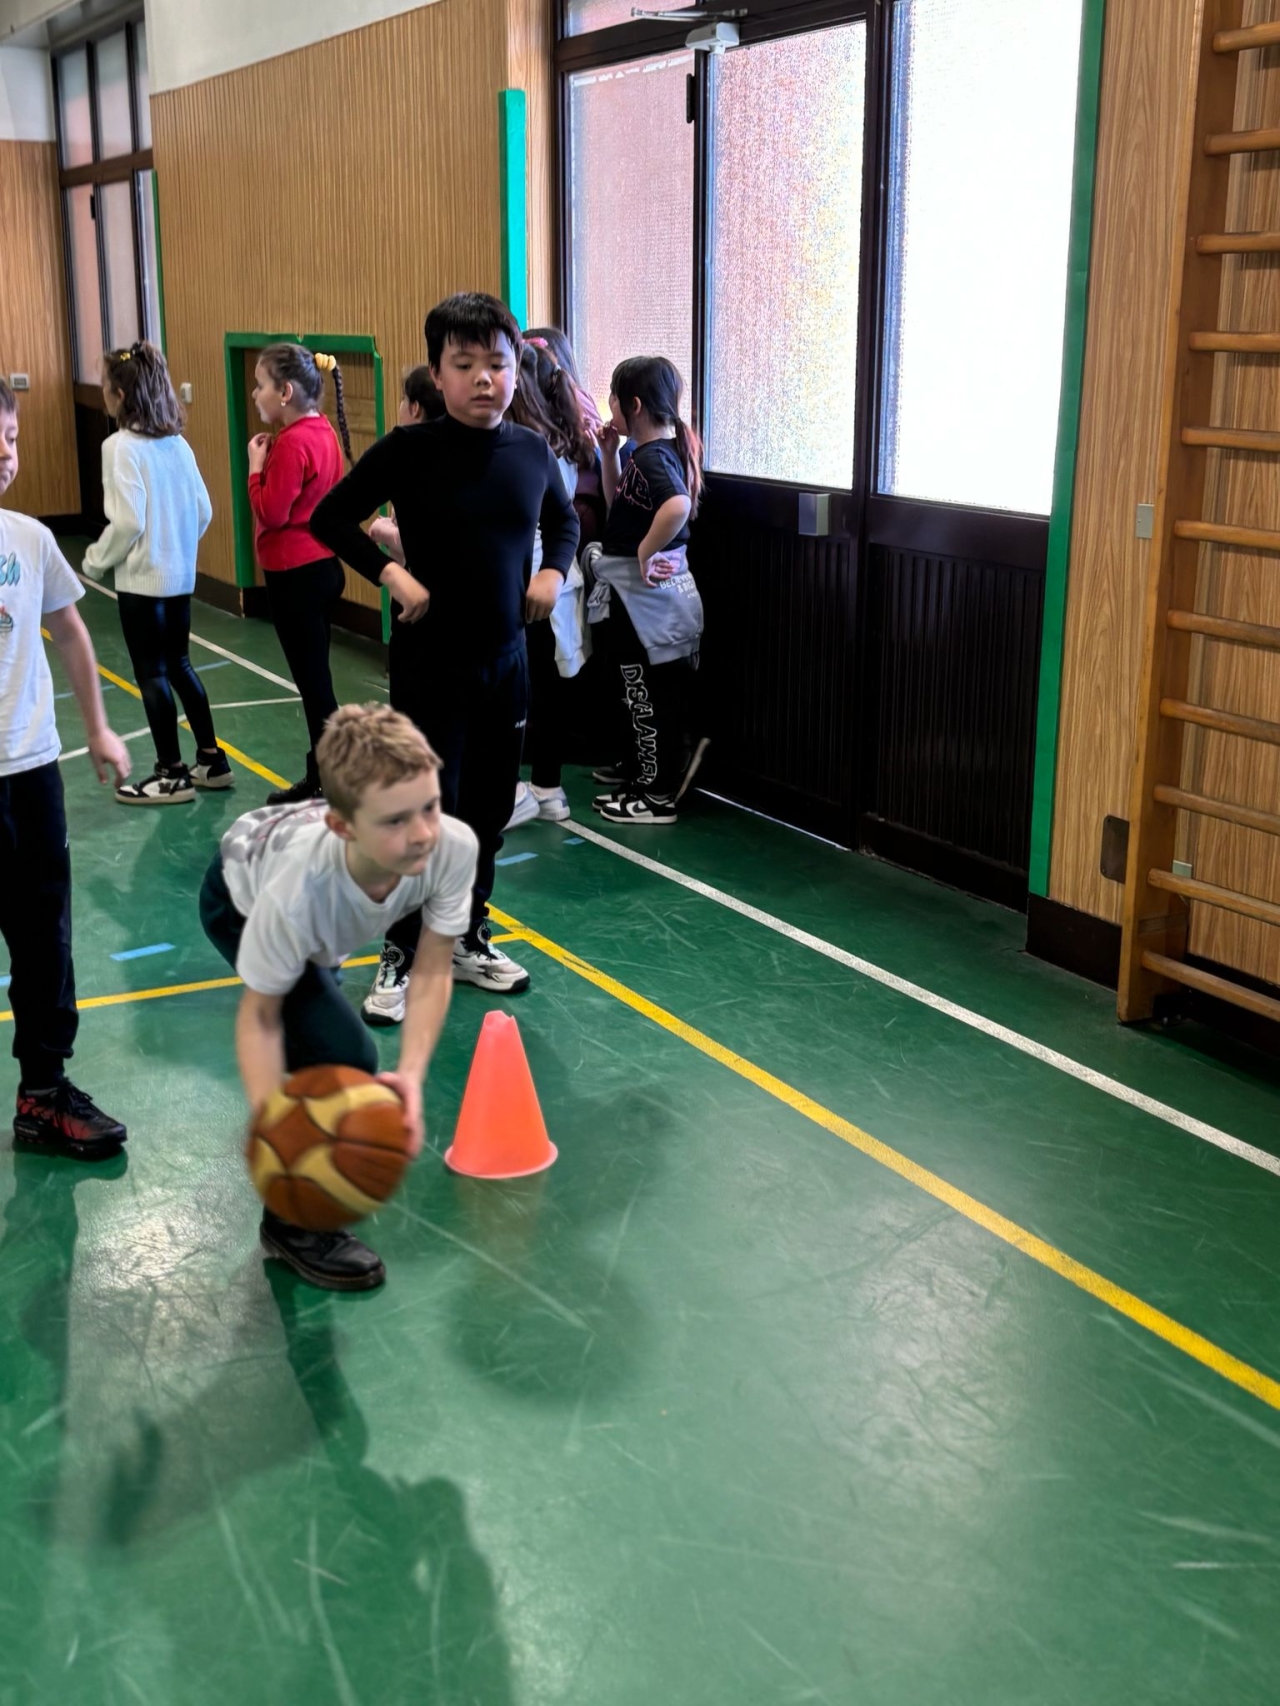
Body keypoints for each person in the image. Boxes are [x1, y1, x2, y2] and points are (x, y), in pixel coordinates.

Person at [311, 293, 579, 1024]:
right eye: (464, 364)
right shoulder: (409, 450)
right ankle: (401, 948)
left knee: (486, 814)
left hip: (506, 665)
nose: (484, 378)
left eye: (497, 363)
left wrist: (552, 572)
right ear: (438, 373)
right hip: (430, 668)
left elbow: (563, 520)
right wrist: (389, 575)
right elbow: (330, 516)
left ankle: (465, 934)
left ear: (515, 370)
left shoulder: (531, 452)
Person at [198, 703, 477, 1290]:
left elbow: (432, 967)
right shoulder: (298, 890)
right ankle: (291, 1225)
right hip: (239, 897)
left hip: (318, 900)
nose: (423, 834)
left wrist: (413, 1075)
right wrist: (280, 1136)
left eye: (430, 806)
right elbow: (260, 1018)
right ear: (344, 826)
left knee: (324, 1029)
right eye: (396, 820)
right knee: (344, 1054)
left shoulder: (451, 846)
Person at [0, 377, 132, 1157]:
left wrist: (99, 728)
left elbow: (72, 632)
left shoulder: (28, 540)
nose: (4, 453)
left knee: (43, 936)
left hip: (30, 770)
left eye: (11, 438)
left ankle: (43, 1093)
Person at [82, 341, 231, 805]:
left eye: (105, 386)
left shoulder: (119, 447)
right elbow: (203, 511)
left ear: (121, 395)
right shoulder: (178, 445)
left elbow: (128, 522)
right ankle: (212, 761)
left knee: (152, 674)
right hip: (179, 580)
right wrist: (177, 550)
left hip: (142, 583)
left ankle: (170, 774)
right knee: (181, 666)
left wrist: (95, 560)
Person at [590, 355, 707, 826]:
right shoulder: (644, 454)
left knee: (646, 698)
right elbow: (618, 505)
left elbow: (676, 505)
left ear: (633, 405)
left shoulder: (653, 457)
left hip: (645, 606)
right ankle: (646, 782)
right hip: (648, 605)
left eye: (613, 398)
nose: (609, 406)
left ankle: (657, 798)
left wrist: (644, 551)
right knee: (647, 696)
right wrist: (608, 455)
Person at [247, 344, 350, 806]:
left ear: (285, 392)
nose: (255, 394)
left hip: (296, 575)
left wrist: (255, 470)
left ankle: (331, 778)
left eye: (261, 385)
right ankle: (323, 773)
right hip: (321, 567)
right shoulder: (322, 429)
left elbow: (272, 512)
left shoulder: (291, 443)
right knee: (316, 680)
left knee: (314, 686)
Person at [504, 339, 597, 829]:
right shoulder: (565, 434)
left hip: (533, 578)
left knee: (519, 689)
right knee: (550, 690)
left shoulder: (522, 445)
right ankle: (547, 786)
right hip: (562, 580)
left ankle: (513, 792)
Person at [366, 367, 446, 568]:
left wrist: (382, 530)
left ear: (415, 408)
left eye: (404, 399)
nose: (400, 405)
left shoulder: (410, 459)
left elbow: (422, 540)